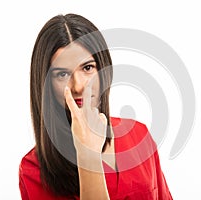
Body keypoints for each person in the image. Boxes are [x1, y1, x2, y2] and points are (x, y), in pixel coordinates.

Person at [19, 13, 173, 200]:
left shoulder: (138, 135)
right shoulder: (34, 169)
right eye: (62, 74)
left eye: (87, 68)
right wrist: (88, 155)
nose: (78, 86)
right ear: (46, 83)